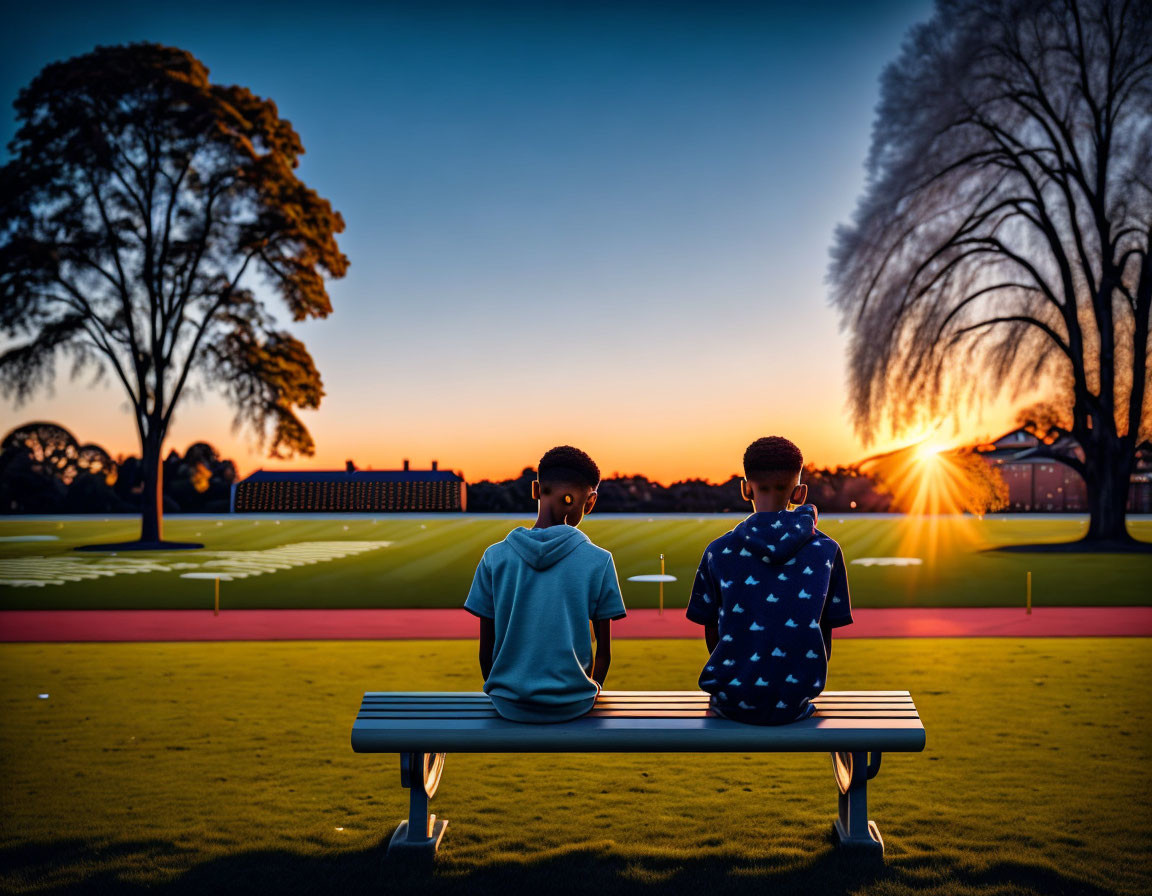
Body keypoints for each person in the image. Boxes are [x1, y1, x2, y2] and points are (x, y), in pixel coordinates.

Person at [685, 436, 853, 724]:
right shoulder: (827, 550)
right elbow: (825, 634)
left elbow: (710, 629)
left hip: (731, 700)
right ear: (800, 493)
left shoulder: (717, 551)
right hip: (795, 702)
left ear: (745, 489)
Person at [464, 445, 626, 723]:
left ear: (536, 489)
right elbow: (604, 654)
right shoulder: (600, 560)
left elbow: (485, 651)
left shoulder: (494, 557)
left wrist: (502, 691)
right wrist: (593, 687)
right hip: (575, 703)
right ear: (591, 502)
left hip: (507, 704)